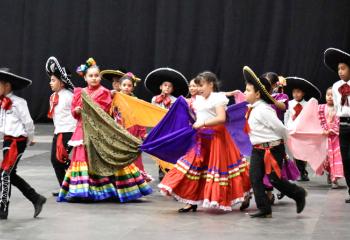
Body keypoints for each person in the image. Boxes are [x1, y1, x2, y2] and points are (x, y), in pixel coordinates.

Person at [58, 58, 152, 202]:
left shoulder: (105, 92)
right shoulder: (79, 92)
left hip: (98, 132)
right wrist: (77, 110)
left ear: (100, 77)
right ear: (85, 77)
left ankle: (103, 190)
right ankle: (81, 192)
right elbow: (74, 113)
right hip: (82, 131)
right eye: (91, 76)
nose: (94, 78)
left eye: (96, 75)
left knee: (99, 159)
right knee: (81, 158)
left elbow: (105, 112)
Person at [158, 71, 251, 212]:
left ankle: (244, 195)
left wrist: (203, 124)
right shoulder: (199, 99)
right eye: (197, 85)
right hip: (201, 138)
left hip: (217, 138)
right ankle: (191, 201)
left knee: (222, 169)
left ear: (210, 84)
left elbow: (221, 118)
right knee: (193, 167)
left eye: (201, 85)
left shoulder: (217, 98)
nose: (198, 88)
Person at [243, 66, 306, 218]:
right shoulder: (252, 108)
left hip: (272, 149)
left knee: (275, 180)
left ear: (258, 94)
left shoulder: (264, 110)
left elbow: (281, 129)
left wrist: (285, 148)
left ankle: (298, 193)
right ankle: (264, 208)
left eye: (248, 90)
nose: (245, 92)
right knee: (255, 178)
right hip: (258, 149)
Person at [0, 68, 46, 219]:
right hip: (7, 140)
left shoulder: (19, 103)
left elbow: (28, 122)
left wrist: (30, 138)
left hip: (17, 141)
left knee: (5, 173)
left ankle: (3, 208)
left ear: (7, 86)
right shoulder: (1, 102)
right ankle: (36, 198)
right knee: (10, 174)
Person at [144, 67, 189, 181]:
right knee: (159, 149)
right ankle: (161, 171)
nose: (167, 88)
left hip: (171, 128)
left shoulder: (175, 100)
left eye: (169, 86)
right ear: (160, 87)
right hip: (160, 128)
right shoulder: (155, 99)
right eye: (165, 85)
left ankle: (170, 171)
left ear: (172, 89)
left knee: (170, 149)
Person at [45, 57, 77, 196]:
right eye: (50, 80)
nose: (50, 83)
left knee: (58, 160)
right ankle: (66, 187)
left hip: (69, 132)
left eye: (53, 80)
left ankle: (72, 184)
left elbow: (77, 114)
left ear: (62, 82)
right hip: (59, 132)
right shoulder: (53, 97)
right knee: (56, 160)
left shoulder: (70, 96)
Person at [324, 48, 350, 202]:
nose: (340, 71)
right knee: (346, 160)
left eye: (343, 68)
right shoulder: (335, 86)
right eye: (338, 69)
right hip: (343, 125)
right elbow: (337, 107)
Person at [284, 76, 321, 181]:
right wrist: (286, 128)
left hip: (304, 131)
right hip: (292, 131)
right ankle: (301, 172)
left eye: (298, 92)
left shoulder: (307, 104)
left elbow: (311, 117)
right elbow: (286, 116)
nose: (296, 94)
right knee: (296, 152)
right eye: (294, 92)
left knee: (304, 153)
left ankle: (303, 170)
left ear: (303, 93)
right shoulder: (289, 104)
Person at [317, 87, 344, 188]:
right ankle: (329, 173)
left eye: (332, 95)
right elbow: (316, 121)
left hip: (335, 137)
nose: (330, 97)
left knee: (336, 157)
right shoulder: (320, 108)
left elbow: (340, 122)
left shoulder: (339, 108)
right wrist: (322, 130)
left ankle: (334, 179)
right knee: (326, 159)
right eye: (328, 95)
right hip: (324, 137)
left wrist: (332, 130)